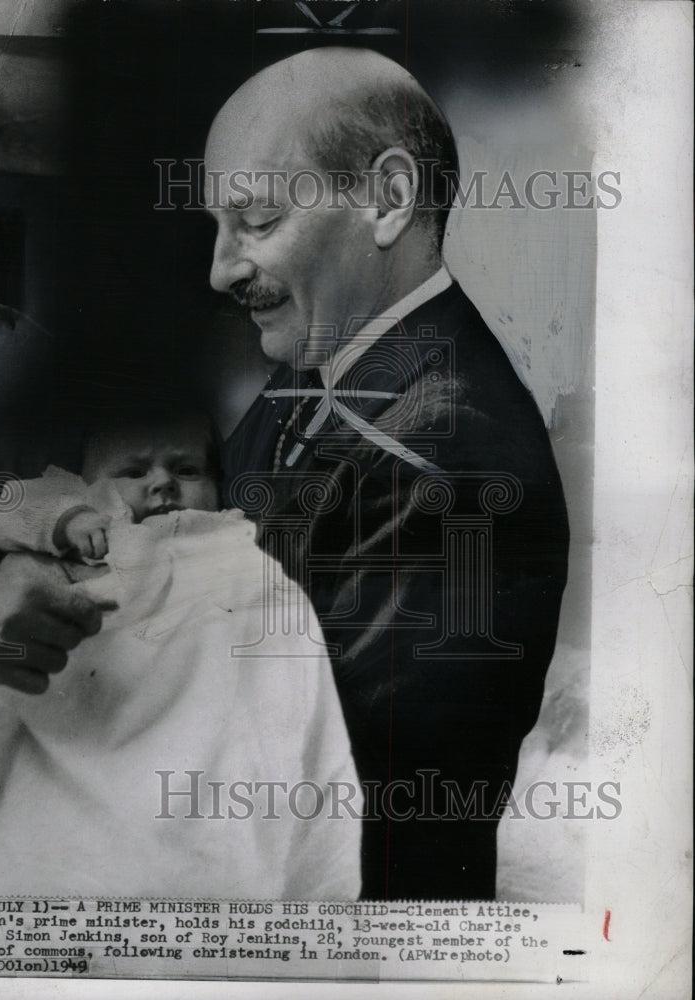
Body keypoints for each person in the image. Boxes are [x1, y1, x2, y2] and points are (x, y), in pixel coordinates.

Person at [203, 48, 570, 900]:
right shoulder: (333, 361)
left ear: (388, 198)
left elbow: (323, 775)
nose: (219, 269)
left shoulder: (451, 456)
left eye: (255, 220)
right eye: (216, 228)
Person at [0, 409, 361, 899]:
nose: (162, 483)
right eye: (133, 472)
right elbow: (13, 503)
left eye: (186, 471)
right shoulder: (82, 523)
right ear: (86, 484)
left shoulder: (230, 538)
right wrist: (70, 521)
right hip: (88, 701)